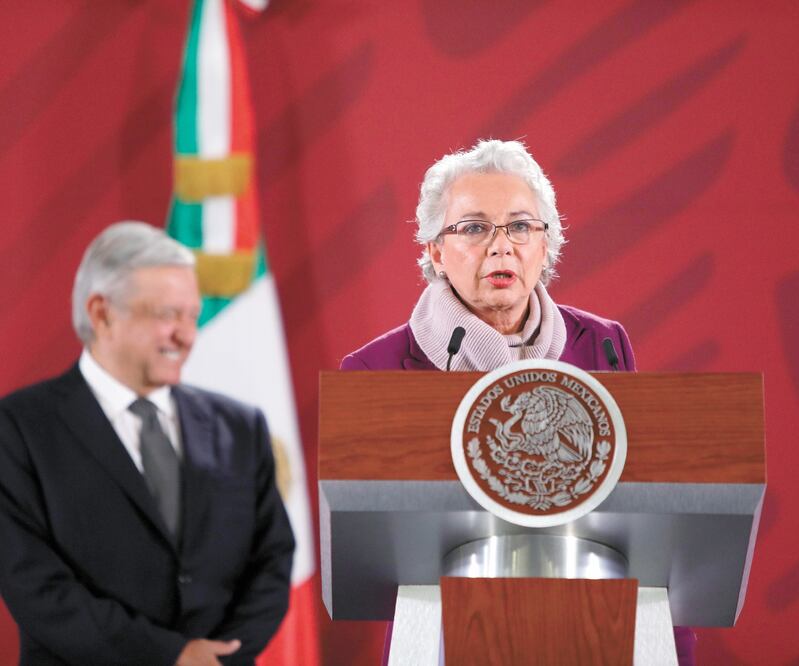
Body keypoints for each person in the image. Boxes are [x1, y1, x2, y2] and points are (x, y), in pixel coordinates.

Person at [341, 139, 695, 665]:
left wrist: (666, 645)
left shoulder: (601, 344)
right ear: (435, 250)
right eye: (475, 227)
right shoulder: (377, 370)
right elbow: (369, 552)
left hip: (595, 623)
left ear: (546, 245)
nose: (501, 246)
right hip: (447, 633)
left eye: (521, 226)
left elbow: (644, 510)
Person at [0, 222, 294, 666]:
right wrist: (173, 657)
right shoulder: (19, 428)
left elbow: (272, 561)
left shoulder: (240, 427)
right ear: (101, 314)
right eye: (167, 315)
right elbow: (35, 587)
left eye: (192, 316)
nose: (187, 334)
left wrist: (216, 659)